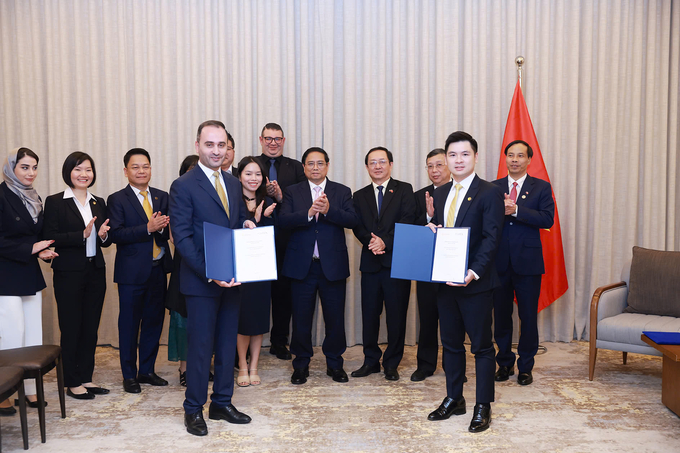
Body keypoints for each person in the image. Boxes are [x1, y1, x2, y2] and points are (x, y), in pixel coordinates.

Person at [169, 120, 256, 436]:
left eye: (221, 145)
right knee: (200, 348)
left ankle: (221, 402)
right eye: (210, 144)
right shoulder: (183, 185)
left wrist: (247, 224)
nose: (216, 150)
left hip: (232, 279)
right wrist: (211, 272)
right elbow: (181, 237)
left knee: (226, 345)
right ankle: (193, 409)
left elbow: (236, 219)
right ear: (198, 146)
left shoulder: (233, 183)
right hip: (202, 281)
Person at [425, 131, 504, 433]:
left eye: (465, 154)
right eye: (453, 155)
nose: (458, 160)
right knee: (451, 344)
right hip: (445, 284)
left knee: (482, 347)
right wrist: (431, 229)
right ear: (446, 159)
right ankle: (454, 398)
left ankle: (483, 405)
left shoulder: (489, 192)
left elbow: (491, 238)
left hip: (475, 284)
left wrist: (473, 272)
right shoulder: (442, 192)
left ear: (475, 157)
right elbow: (445, 234)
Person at [278, 147, 359, 385]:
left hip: (331, 265)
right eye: (310, 164)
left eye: (320, 163)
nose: (315, 167)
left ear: (327, 165)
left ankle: (335, 364)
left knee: (335, 319)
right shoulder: (293, 192)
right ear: (303, 167)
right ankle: (301, 365)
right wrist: (308, 212)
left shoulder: (341, 191)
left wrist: (328, 211)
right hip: (301, 266)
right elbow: (283, 221)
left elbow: (353, 220)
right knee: (301, 319)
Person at [43, 152, 112, 400]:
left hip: (95, 271)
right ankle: (71, 381)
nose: (84, 174)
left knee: (90, 327)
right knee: (71, 326)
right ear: (68, 172)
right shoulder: (55, 202)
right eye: (78, 169)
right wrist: (80, 235)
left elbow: (106, 240)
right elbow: (50, 237)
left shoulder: (98, 201)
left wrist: (103, 235)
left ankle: (85, 377)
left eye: (88, 170)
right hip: (68, 273)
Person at [107, 148, 173, 393]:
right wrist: (147, 227)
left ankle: (146, 370)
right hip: (131, 274)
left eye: (145, 166)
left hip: (158, 270)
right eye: (135, 167)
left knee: (154, 323)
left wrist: (161, 229)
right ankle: (129, 375)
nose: (141, 171)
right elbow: (116, 234)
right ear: (126, 171)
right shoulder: (117, 199)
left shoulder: (161, 196)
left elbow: (167, 231)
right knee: (129, 324)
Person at [492, 140, 554, 386]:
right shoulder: (492, 187)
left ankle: (525, 366)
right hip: (498, 262)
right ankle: (504, 363)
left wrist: (516, 209)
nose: (514, 160)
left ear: (529, 160)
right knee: (502, 316)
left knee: (528, 316)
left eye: (520, 156)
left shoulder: (541, 187)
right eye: (510, 155)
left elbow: (547, 219)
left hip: (528, 262)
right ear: (505, 159)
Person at [0, 148, 58, 415]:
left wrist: (41, 251)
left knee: (33, 336)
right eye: (24, 167)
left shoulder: (33, 197)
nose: (30, 173)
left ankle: (30, 391)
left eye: (34, 167)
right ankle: (4, 394)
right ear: (11, 168)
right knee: (11, 336)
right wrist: (31, 248)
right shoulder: (1, 195)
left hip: (30, 275)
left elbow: (36, 237)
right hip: (6, 277)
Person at [351, 147, 416, 381]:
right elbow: (356, 225)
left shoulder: (404, 190)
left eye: (382, 161)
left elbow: (408, 220)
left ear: (390, 164)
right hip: (370, 264)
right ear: (367, 167)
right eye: (372, 162)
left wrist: (385, 243)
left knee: (396, 316)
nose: (377, 166)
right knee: (369, 315)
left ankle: (391, 363)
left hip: (396, 263)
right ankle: (370, 361)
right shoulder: (359, 196)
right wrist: (372, 242)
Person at [255, 123, 306, 360]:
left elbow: (303, 204)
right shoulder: (251, 165)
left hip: (287, 239)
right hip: (256, 238)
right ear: (261, 139)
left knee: (284, 294)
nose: (273, 143)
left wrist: (280, 196)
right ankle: (246, 344)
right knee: (256, 293)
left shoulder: (296, 167)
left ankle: (279, 342)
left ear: (283, 141)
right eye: (268, 138)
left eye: (277, 139)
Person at [235, 156, 276, 387]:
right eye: (248, 173)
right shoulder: (232, 199)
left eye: (258, 174)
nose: (253, 178)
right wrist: (253, 218)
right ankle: (241, 365)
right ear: (240, 175)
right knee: (242, 319)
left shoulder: (268, 199)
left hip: (262, 268)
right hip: (241, 268)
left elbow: (277, 236)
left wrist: (265, 219)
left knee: (259, 318)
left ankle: (254, 366)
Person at [411, 148, 451, 382]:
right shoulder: (419, 195)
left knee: (451, 318)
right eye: (430, 166)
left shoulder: (460, 192)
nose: (434, 170)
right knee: (427, 317)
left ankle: (452, 365)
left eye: (439, 165)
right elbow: (410, 226)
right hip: (426, 265)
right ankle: (425, 365)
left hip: (451, 265)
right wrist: (428, 218)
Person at [166, 155, 199, 386]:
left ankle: (203, 365)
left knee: (206, 318)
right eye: (191, 170)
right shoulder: (179, 196)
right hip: (185, 263)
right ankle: (185, 368)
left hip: (209, 262)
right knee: (183, 317)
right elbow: (174, 237)